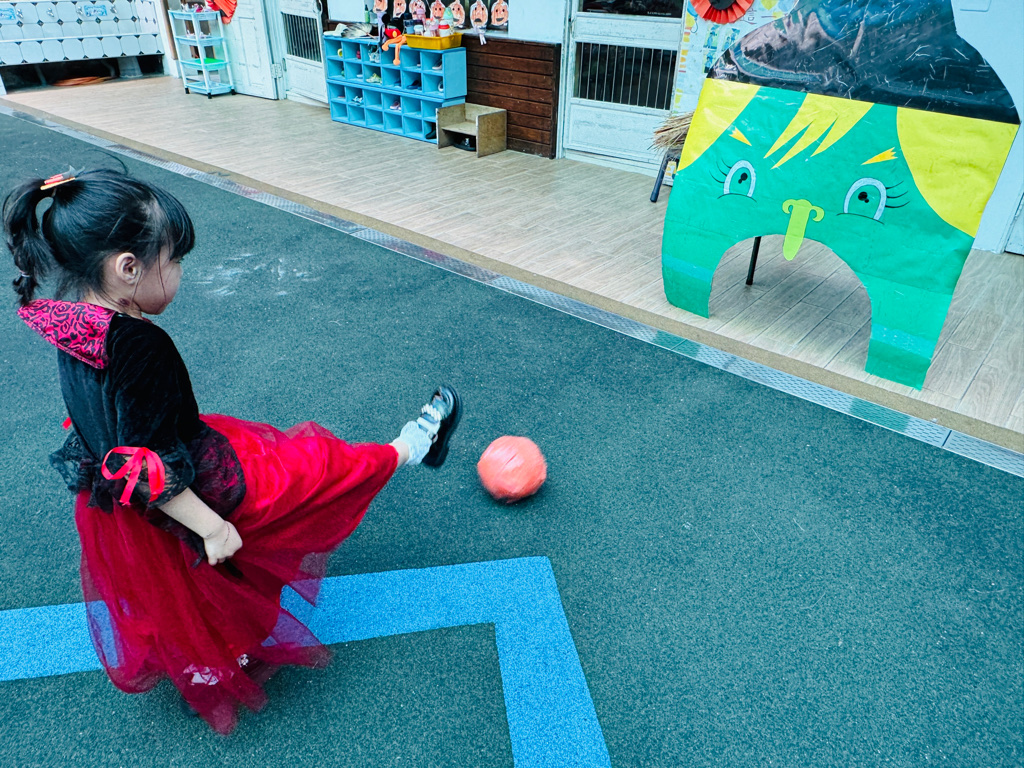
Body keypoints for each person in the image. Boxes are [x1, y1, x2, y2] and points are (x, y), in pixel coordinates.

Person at [4, 168, 461, 734]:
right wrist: (212, 526)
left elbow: (114, 433)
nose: (179, 272)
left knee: (181, 588)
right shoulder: (140, 344)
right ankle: (410, 446)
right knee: (313, 471)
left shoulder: (68, 319)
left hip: (118, 507)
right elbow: (149, 467)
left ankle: (206, 656)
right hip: (184, 488)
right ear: (127, 268)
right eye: (173, 260)